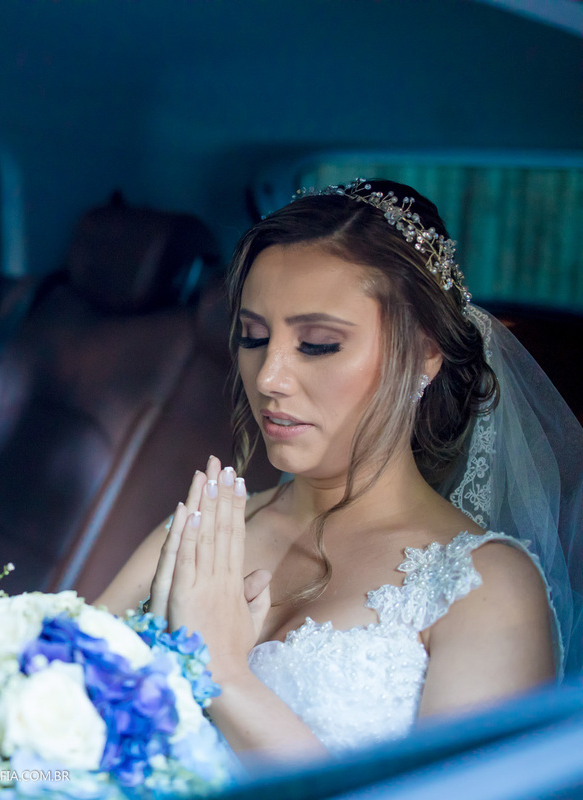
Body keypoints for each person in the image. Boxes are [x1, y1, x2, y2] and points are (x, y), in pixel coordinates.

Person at [97, 178, 583, 762]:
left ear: (426, 354)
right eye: (253, 337)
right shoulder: (196, 538)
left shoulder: (484, 591)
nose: (269, 377)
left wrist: (222, 675)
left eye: (319, 344)